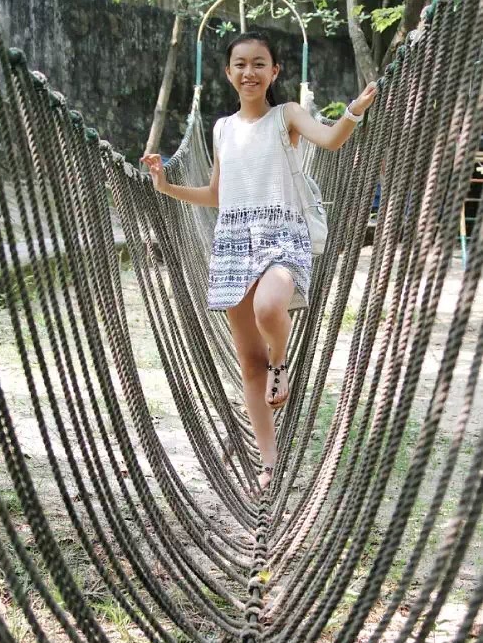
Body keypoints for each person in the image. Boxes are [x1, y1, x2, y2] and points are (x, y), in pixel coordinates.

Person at [142, 31, 377, 493]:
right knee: (250, 362)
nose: (249, 72)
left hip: (282, 237)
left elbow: (330, 140)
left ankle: (281, 364)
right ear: (228, 73)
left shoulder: (286, 115)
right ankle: (269, 463)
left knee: (269, 307)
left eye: (259, 63)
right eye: (241, 64)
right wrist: (166, 186)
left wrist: (354, 111)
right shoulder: (221, 128)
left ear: (274, 71)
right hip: (233, 244)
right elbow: (216, 194)